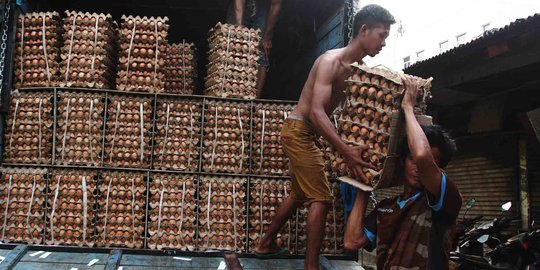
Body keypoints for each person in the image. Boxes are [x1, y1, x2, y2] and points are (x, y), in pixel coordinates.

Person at [253, 4, 395, 270]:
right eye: (382, 35)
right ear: (364, 30)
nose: (384, 43)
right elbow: (317, 113)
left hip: (310, 134)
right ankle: (311, 267)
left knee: (298, 193)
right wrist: (344, 149)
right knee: (320, 198)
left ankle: (265, 243)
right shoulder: (330, 61)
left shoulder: (358, 71)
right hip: (299, 131)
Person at [343, 75, 462, 269]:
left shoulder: (442, 201)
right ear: (401, 162)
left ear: (438, 168)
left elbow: (422, 155)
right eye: (411, 160)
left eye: (429, 164)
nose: (418, 166)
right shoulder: (385, 208)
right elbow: (352, 242)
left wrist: (408, 108)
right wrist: (363, 186)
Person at [227, 0, 282, 97]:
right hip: (242, 4)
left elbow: (275, 4)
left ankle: (254, 99)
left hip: (263, 7)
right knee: (234, 44)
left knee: (262, 51)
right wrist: (238, 27)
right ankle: (231, 93)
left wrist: (267, 36)